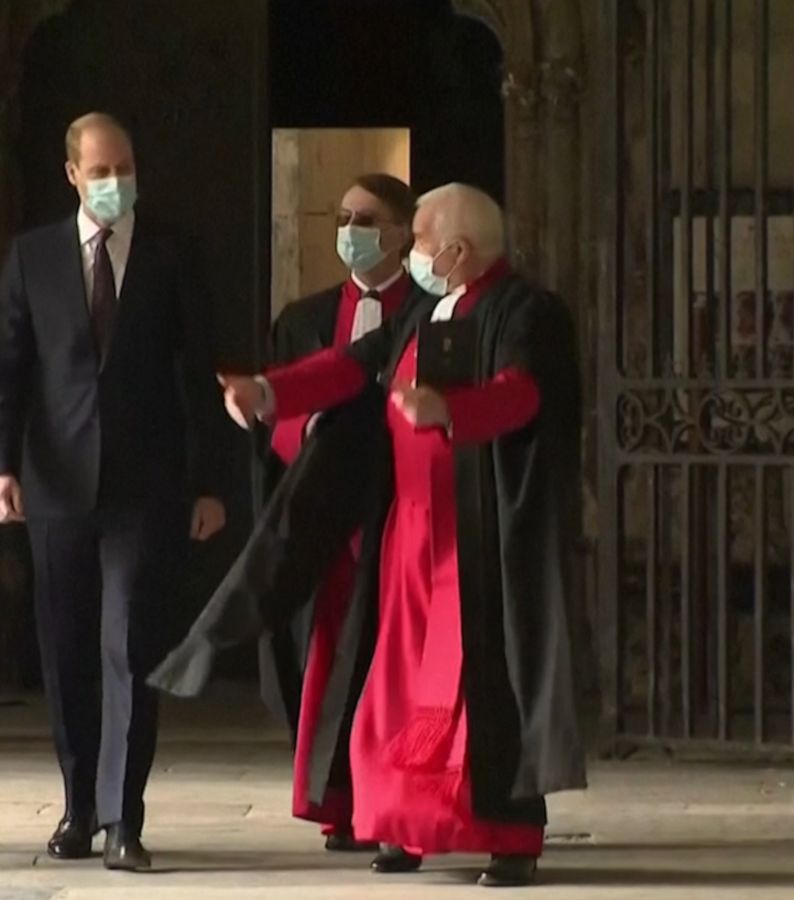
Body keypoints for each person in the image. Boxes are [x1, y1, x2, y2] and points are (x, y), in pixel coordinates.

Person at [211, 183, 587, 887]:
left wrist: (452, 408)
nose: (409, 252)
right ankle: (401, 824)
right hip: (409, 531)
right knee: (393, 683)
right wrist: (270, 394)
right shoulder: (420, 308)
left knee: (482, 686)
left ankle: (506, 833)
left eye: (416, 238)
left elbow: (528, 393)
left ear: (457, 249)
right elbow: (353, 366)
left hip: (479, 535)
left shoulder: (527, 311)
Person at [0, 112, 230, 871]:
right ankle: (78, 806)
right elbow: (3, 372)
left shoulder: (170, 254)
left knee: (129, 647)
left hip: (144, 489)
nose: (116, 181)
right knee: (66, 652)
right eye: (101, 170)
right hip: (55, 489)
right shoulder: (32, 258)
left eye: (125, 167)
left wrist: (210, 483)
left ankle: (126, 819)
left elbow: (201, 373)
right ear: (72, 175)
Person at [258, 174, 421, 857]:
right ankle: (338, 802)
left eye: (368, 218)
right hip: (330, 509)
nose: (351, 229)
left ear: (404, 232)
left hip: (404, 509)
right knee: (329, 652)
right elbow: (278, 418)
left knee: (395, 662)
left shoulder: (428, 312)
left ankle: (395, 805)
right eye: (344, 215)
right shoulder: (303, 317)